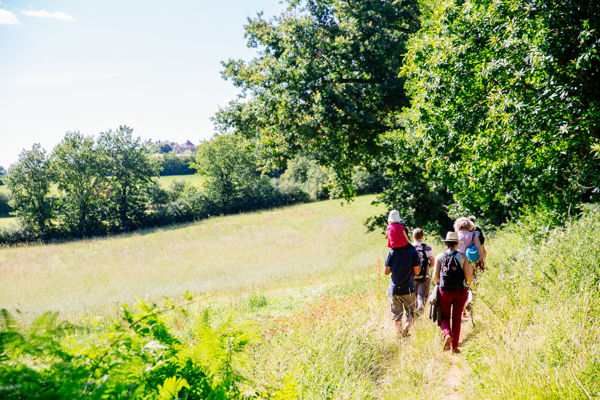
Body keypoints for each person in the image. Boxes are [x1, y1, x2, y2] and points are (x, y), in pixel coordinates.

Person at [433, 231, 474, 353]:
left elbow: (435, 276)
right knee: (456, 318)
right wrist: (467, 285)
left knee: (445, 315)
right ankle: (454, 347)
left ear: (446, 243)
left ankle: (446, 334)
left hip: (444, 291)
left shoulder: (439, 257)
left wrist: (439, 285)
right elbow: (468, 276)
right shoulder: (462, 256)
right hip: (460, 291)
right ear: (457, 243)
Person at [384, 239, 421, 336]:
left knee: (397, 315)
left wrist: (395, 269)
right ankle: (406, 329)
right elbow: (417, 272)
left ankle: (400, 335)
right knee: (412, 314)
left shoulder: (391, 252)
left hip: (394, 289)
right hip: (408, 288)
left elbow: (386, 272)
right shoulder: (413, 252)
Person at [412, 228, 434, 314]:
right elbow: (432, 263)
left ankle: (412, 316)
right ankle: (419, 314)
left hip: (412, 277)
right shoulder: (427, 247)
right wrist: (425, 268)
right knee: (421, 298)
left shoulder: (410, 247)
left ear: (413, 236)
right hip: (425, 276)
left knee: (413, 298)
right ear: (422, 236)